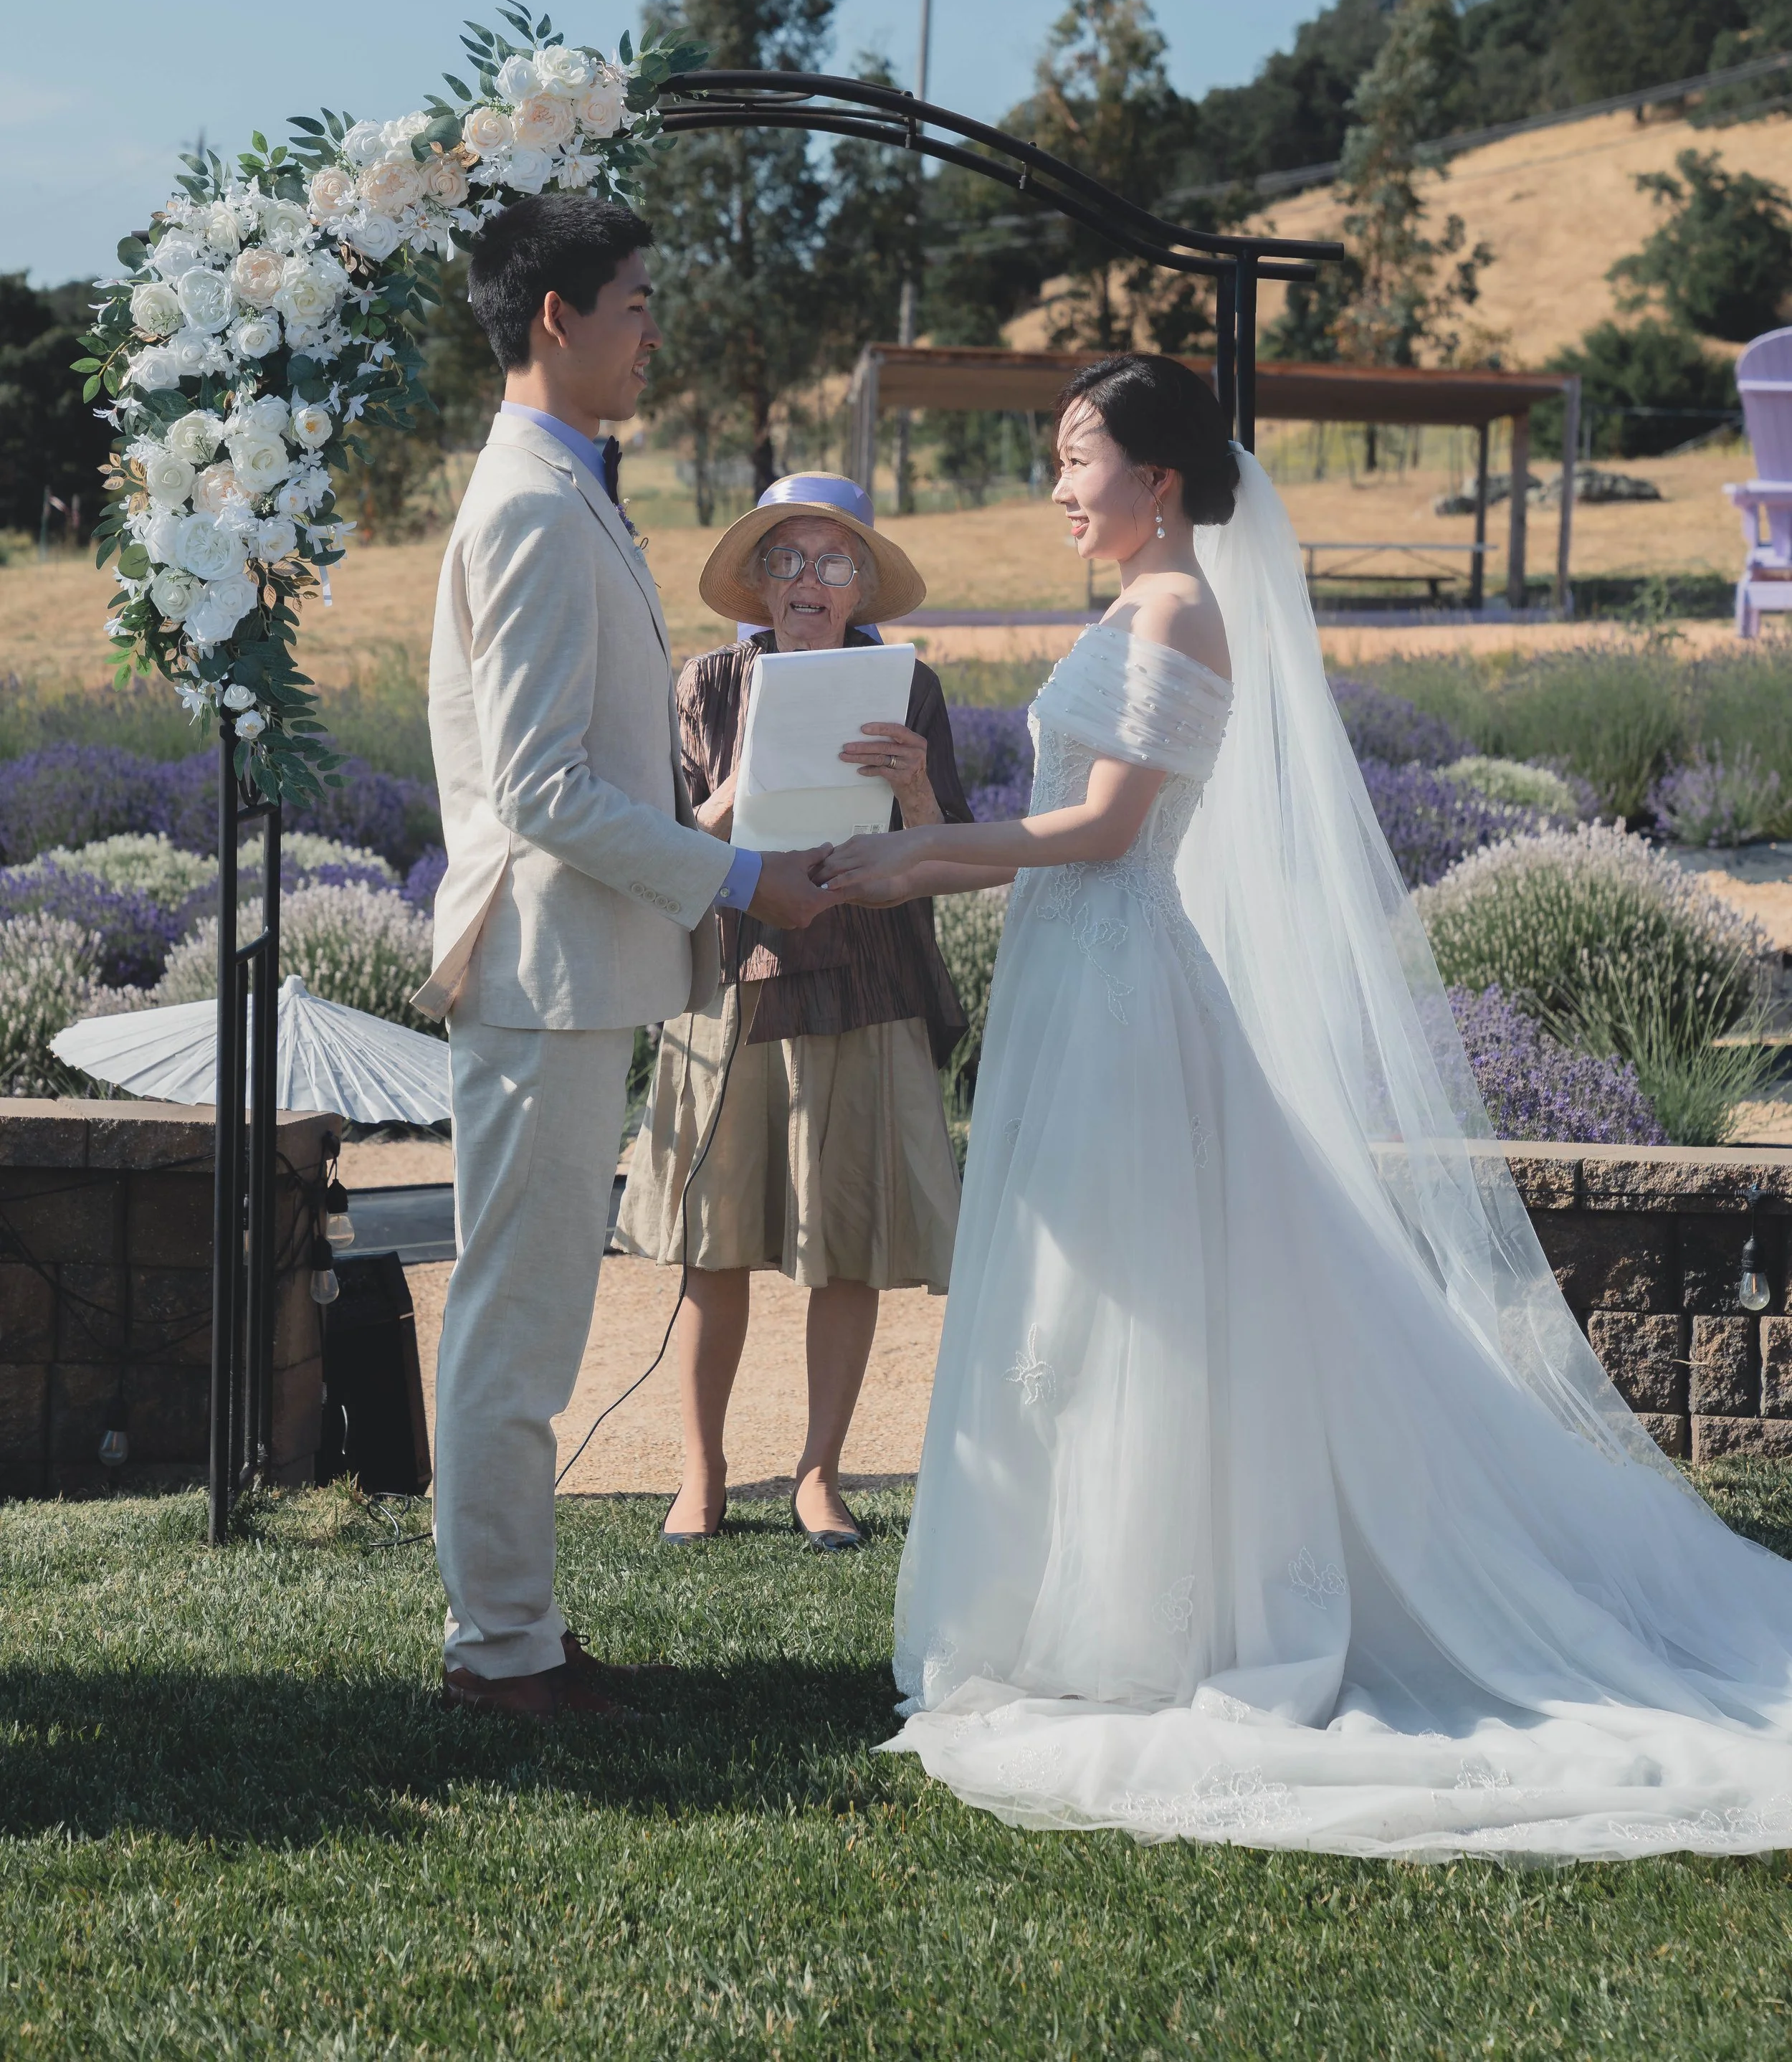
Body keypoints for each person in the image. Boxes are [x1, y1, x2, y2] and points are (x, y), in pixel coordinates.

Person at [814, 353, 1792, 1858]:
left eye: (1078, 458)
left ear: (1156, 480)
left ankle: (1153, 1620)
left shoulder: (1179, 610)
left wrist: (919, 862)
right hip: (1073, 978)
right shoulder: (1126, 611)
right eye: (1059, 457)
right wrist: (920, 822)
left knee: (1142, 1300)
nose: (1059, 486)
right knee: (1080, 1292)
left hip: (1124, 987)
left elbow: (1106, 833)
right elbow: (1048, 832)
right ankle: (1069, 1594)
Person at [415, 193, 833, 1722]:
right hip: (539, 967)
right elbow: (535, 786)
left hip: (577, 967)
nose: (656, 326)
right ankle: (498, 1652)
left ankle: (511, 1629)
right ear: (556, 315)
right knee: (515, 1325)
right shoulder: (526, 501)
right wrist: (732, 875)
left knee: (529, 1319)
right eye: (640, 299)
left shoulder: (564, 487)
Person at [616, 475, 971, 1549]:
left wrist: (912, 792)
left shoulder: (910, 691)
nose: (807, 580)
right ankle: (702, 1472)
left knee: (846, 1241)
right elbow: (665, 844)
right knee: (712, 1245)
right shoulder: (705, 685)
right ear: (757, 581)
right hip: (732, 986)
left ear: (863, 582)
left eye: (830, 561)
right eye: (786, 560)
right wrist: (739, 785)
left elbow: (948, 847)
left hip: (866, 984)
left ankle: (820, 1474)